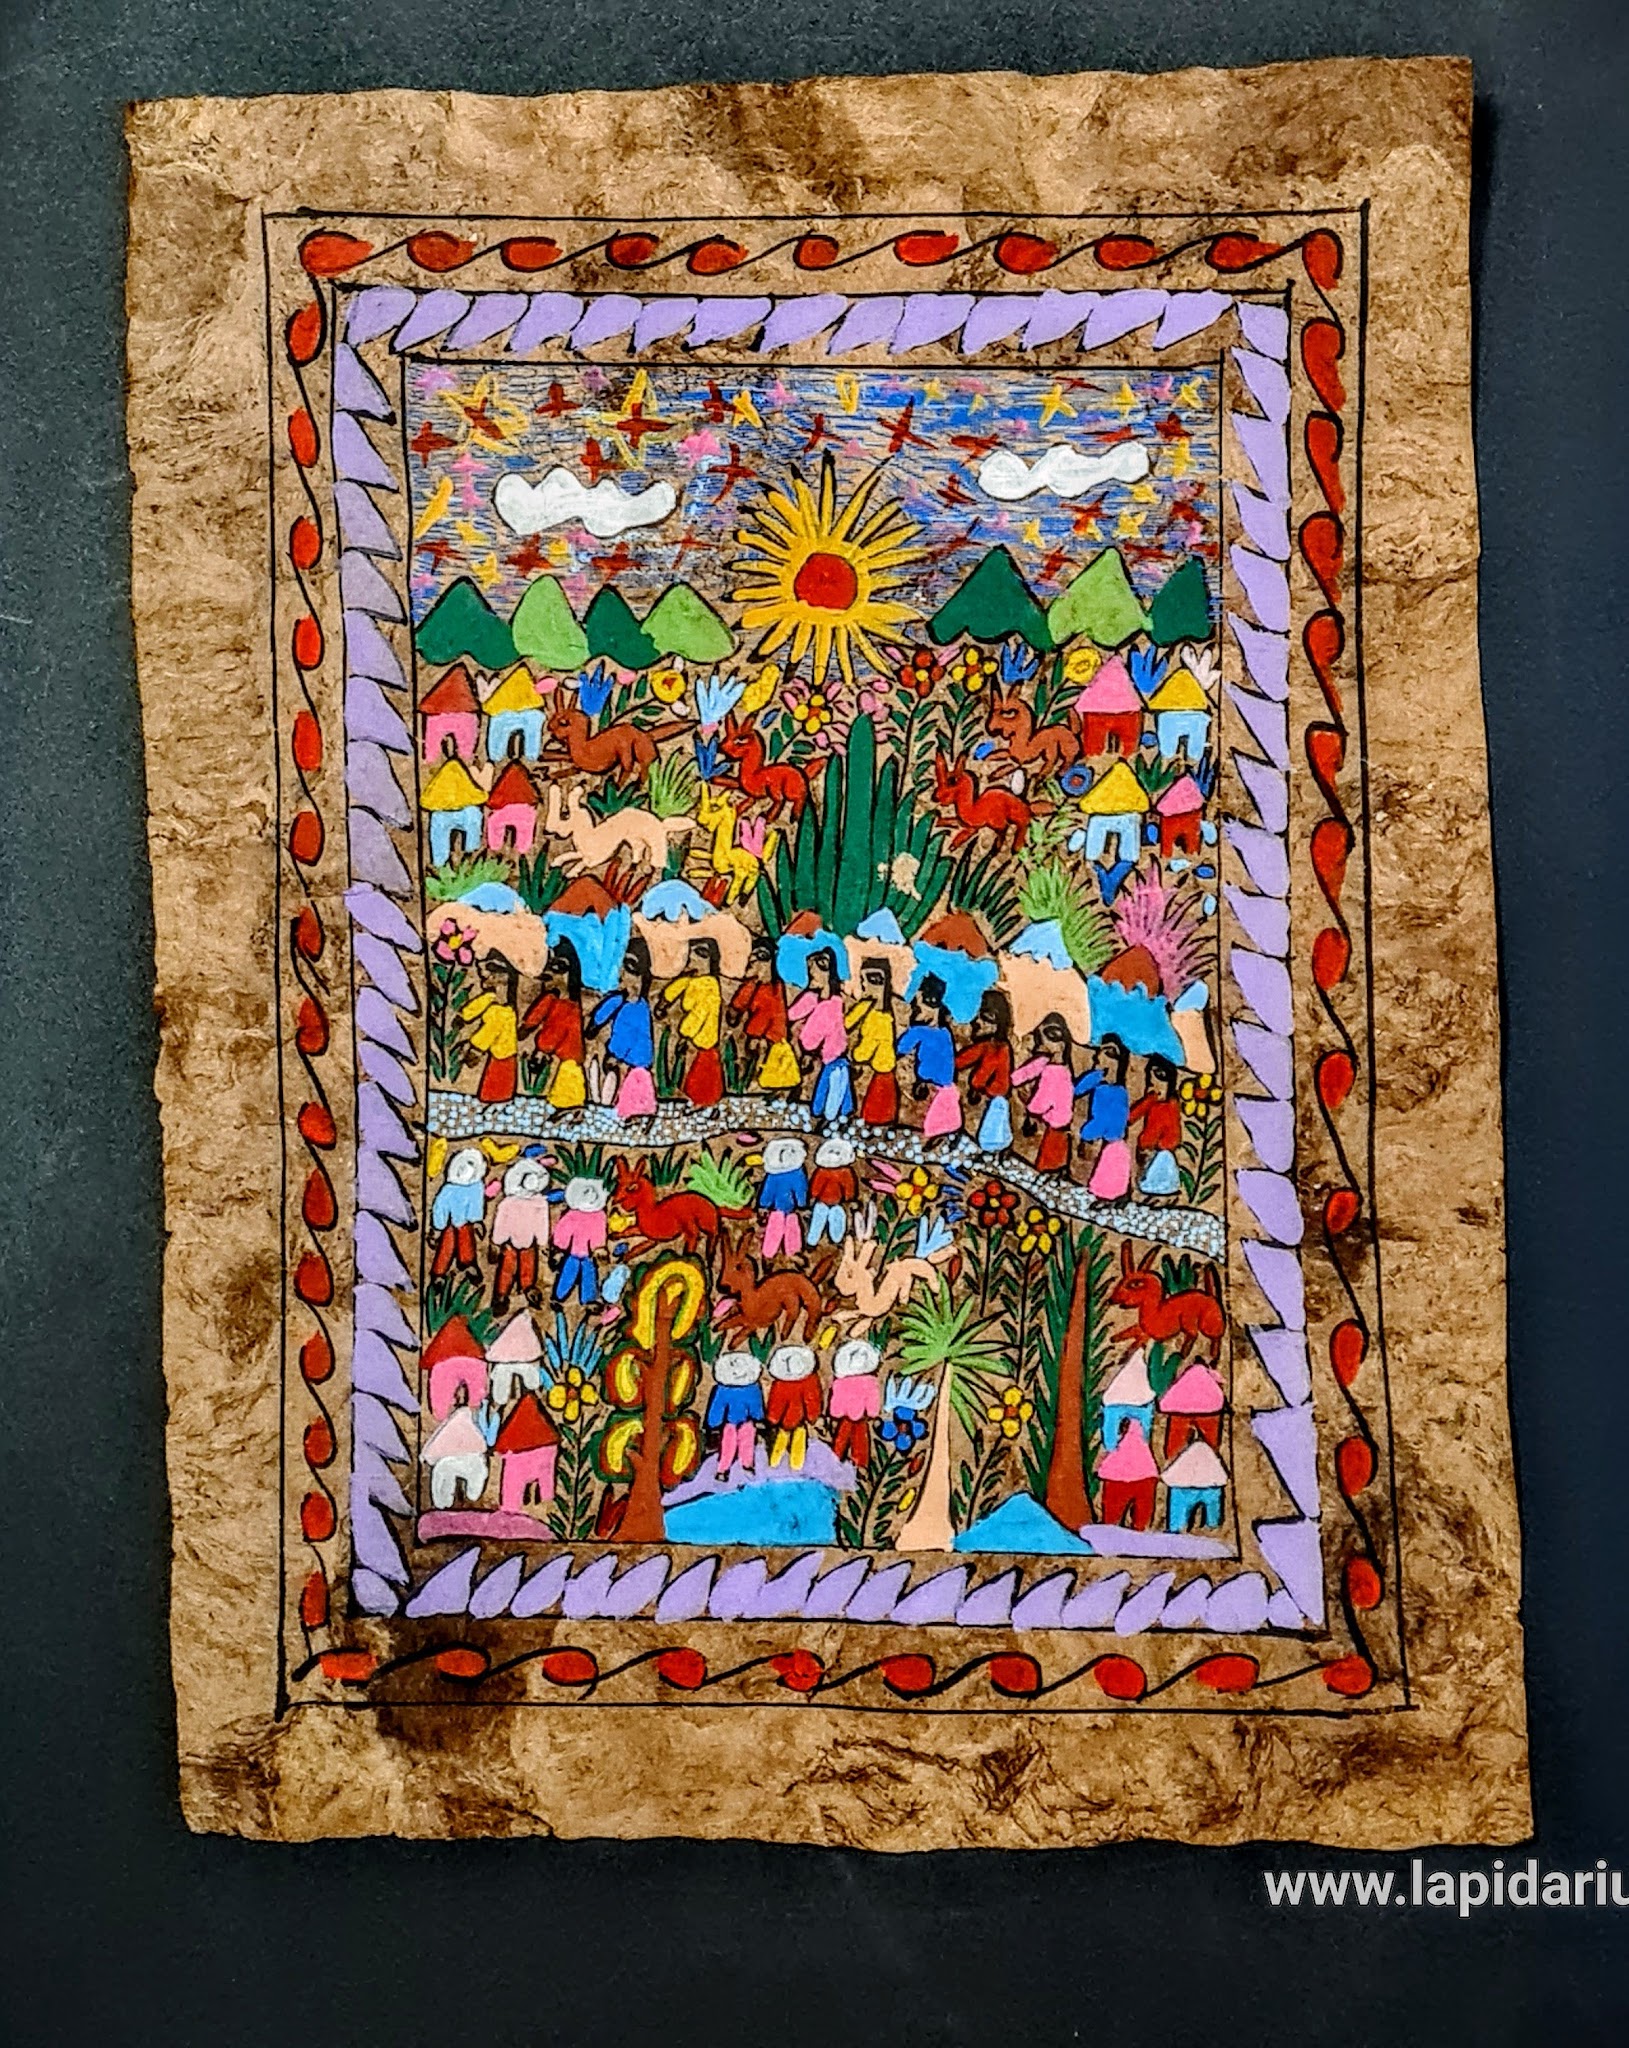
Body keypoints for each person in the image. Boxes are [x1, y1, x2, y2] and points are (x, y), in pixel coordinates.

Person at [590, 936, 656, 1119]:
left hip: (635, 1059)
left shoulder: (636, 1007)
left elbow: (629, 1033)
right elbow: (606, 1010)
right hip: (628, 1057)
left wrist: (616, 1054)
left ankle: (635, 1112)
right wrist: (594, 1024)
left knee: (633, 1083)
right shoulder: (623, 1000)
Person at [728, 932, 801, 1093]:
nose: (751, 962)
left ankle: (758, 1083)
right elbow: (741, 1001)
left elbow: (769, 1013)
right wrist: (736, 1009)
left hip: (769, 1037)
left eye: (755, 958)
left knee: (762, 1058)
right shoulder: (754, 985)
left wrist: (755, 1033)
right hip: (761, 1033)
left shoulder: (773, 989)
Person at [1012, 1013, 1083, 1175]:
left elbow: (1043, 1099)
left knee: (1047, 1165)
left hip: (1056, 1128)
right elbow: (1028, 1071)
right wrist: (1014, 1079)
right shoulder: (1050, 1063)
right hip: (1054, 1125)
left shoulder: (1056, 1072)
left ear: (1060, 1045)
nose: (1041, 1044)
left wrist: (1030, 1108)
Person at [788, 947, 852, 1123]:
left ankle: (835, 1118)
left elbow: (817, 1030)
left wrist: (807, 1049)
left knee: (824, 1105)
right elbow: (792, 1014)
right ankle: (842, 1115)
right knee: (830, 1102)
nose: (811, 977)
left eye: (814, 973)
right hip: (826, 1057)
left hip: (833, 1057)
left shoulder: (833, 1004)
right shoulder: (813, 998)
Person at [661, 935, 725, 1108]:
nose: (693, 960)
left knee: (703, 1071)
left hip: (703, 1038)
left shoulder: (709, 985)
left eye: (700, 955)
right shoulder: (694, 980)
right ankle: (699, 1100)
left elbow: (700, 1013)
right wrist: (665, 1000)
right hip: (696, 1038)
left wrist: (686, 1034)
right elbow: (679, 986)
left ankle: (705, 1101)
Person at [522, 940, 586, 1109]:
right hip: (567, 1060)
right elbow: (539, 1012)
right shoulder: (557, 1000)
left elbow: (554, 1033)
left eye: (557, 968)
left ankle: (570, 1108)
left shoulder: (567, 1007)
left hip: (568, 1062)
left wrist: (541, 1049)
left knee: (566, 1091)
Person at [898, 973, 962, 1138]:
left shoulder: (923, 1031)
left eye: (919, 1005)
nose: (917, 1010)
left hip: (934, 1089)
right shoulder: (943, 1032)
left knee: (933, 1127)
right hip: (941, 1088)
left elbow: (901, 1048)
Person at [956, 985, 1015, 1154]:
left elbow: (989, 1071)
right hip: (988, 1098)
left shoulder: (1000, 1049)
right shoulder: (987, 1045)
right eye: (976, 1016)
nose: (977, 1022)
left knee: (991, 1138)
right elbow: (963, 1059)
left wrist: (976, 1086)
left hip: (995, 1100)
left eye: (985, 1017)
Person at [489, 1149, 551, 1308]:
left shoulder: (539, 1203)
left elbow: (542, 1223)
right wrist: (498, 1240)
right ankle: (501, 1293)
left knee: (527, 1264)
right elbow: (501, 1222)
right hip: (511, 1240)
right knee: (507, 1267)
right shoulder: (509, 1203)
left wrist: (542, 1240)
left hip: (528, 1240)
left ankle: (527, 1287)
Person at [1076, 1036, 1134, 1199]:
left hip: (1114, 1146)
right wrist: (1094, 1077)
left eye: (1106, 1053)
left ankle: (1110, 1198)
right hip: (1110, 1144)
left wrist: (1086, 1133)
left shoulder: (1114, 1092)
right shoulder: (1103, 1086)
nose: (1098, 1057)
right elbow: (1077, 1090)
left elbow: (1105, 1122)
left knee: (1108, 1180)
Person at [848, 957, 900, 1125]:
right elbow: (848, 1023)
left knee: (876, 1112)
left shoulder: (880, 1018)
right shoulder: (874, 1012)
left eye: (869, 981)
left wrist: (856, 1056)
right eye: (862, 980)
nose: (864, 986)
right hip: (881, 1072)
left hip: (882, 1073)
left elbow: (869, 1044)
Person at [462, 955, 520, 1103]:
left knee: (494, 1090)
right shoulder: (491, 998)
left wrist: (476, 1049)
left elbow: (489, 1031)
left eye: (489, 976)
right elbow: (476, 1007)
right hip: (499, 1053)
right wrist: (464, 1015)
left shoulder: (503, 1011)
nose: (484, 980)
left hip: (502, 1056)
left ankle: (495, 1102)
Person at [1127, 1055, 1183, 1197]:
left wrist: (1155, 1144)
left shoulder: (1170, 1107)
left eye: (1159, 1084)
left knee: (1157, 1175)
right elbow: (1132, 1116)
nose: (1154, 1089)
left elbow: (1172, 1133)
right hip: (1149, 1149)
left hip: (1160, 1150)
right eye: (1151, 1084)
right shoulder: (1152, 1103)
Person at [707, 1351, 765, 1481]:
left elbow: (718, 1406)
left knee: (743, 1441)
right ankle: (726, 1468)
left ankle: (743, 1465)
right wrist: (758, 1416)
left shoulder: (750, 1388)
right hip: (733, 1422)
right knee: (730, 1443)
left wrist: (714, 1421)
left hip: (741, 1421)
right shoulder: (729, 1389)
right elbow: (718, 1405)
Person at [551, 1174, 608, 1305]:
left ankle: (587, 1299)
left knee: (588, 1274)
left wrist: (598, 1247)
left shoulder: (599, 1216)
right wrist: (560, 1244)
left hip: (586, 1253)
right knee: (570, 1272)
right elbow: (563, 1229)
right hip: (576, 1251)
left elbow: (599, 1233)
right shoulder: (573, 1214)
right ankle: (559, 1294)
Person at [430, 1146, 487, 1277]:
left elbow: (476, 1204)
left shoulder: (476, 1187)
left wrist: (476, 1219)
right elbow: (440, 1207)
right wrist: (439, 1226)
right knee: (447, 1244)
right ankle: (439, 1272)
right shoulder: (449, 1189)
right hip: (450, 1222)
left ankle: (468, 1263)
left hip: (465, 1222)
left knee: (466, 1240)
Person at [766, 1344, 823, 1470]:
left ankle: (776, 1461)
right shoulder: (809, 1381)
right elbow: (812, 1401)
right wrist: (812, 1416)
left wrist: (773, 1418)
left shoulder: (780, 1383)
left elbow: (775, 1404)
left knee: (786, 1435)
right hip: (799, 1418)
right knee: (797, 1435)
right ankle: (795, 1464)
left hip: (787, 1420)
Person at [829, 1337, 882, 1469]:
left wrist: (836, 1412)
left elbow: (837, 1399)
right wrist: (872, 1411)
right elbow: (872, 1398)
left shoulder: (844, 1381)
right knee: (853, 1438)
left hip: (851, 1416)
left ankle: (843, 1461)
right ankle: (856, 1463)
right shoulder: (868, 1381)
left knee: (850, 1438)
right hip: (855, 1416)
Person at [757, 1136, 809, 1259]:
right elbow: (800, 1190)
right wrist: (802, 1204)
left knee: (783, 1223)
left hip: (782, 1207)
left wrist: (764, 1204)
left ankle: (775, 1251)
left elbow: (768, 1191)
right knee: (784, 1223)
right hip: (786, 1208)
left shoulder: (781, 1174)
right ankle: (786, 1250)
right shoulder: (795, 1174)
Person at [808, 1134, 859, 1246]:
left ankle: (837, 1239)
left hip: (837, 1203)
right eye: (831, 1151)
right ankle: (812, 1240)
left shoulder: (845, 1172)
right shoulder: (822, 1171)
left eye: (838, 1153)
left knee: (838, 1217)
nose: (834, 1155)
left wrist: (849, 1198)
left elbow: (849, 1187)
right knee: (818, 1219)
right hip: (822, 1202)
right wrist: (813, 1196)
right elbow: (816, 1186)